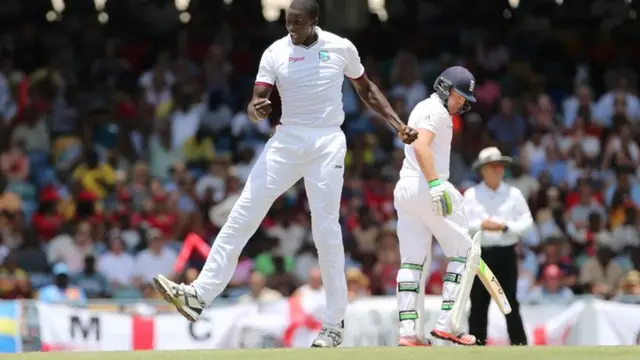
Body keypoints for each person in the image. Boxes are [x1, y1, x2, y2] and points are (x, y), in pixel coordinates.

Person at [152, 0, 418, 349]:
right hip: (287, 140)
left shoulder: (341, 47)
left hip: (327, 141)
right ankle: (198, 296)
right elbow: (256, 101)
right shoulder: (275, 52)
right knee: (242, 213)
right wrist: (256, 110)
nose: (291, 28)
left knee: (325, 231)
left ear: (314, 21)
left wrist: (397, 125)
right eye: (287, 22)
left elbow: (365, 89)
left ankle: (334, 323)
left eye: (297, 22)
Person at [393, 66, 478, 346]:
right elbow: (421, 146)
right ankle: (448, 325)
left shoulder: (422, 107)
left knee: (412, 261)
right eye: (459, 95)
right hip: (425, 184)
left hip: (406, 188)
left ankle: (409, 333)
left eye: (466, 98)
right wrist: (435, 185)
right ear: (443, 87)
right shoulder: (436, 111)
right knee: (465, 252)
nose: (462, 102)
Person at [463, 147, 534, 345]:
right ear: (483, 170)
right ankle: (476, 345)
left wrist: (506, 227)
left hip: (506, 253)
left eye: (500, 166)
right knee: (478, 302)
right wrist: (481, 225)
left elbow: (527, 221)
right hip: (480, 254)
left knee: (510, 300)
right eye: (493, 166)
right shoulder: (471, 194)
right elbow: (461, 223)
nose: (498, 170)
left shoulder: (513, 193)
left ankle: (519, 344)